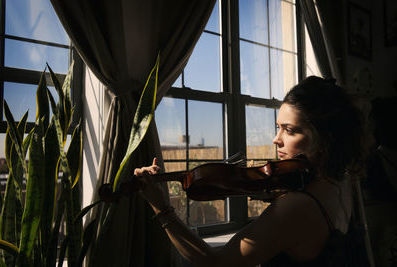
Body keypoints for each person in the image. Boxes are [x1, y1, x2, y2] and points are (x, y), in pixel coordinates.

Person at [134, 76, 366, 267]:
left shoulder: (297, 206)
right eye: (278, 128)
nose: (276, 139)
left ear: (323, 139)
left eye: (290, 130)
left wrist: (161, 208)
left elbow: (214, 263)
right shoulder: (341, 184)